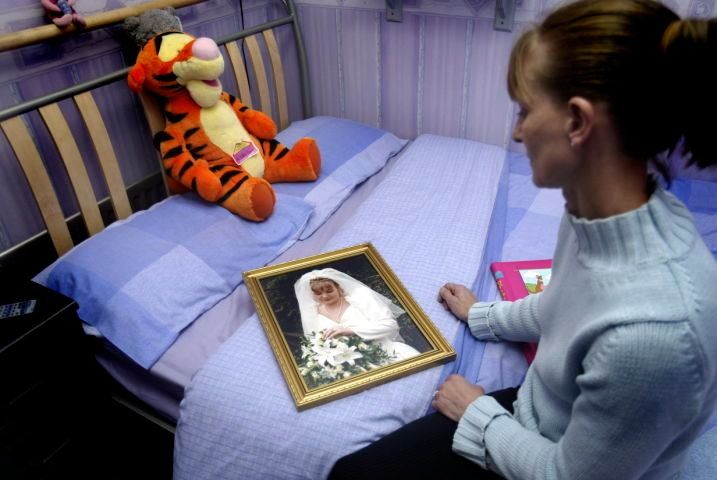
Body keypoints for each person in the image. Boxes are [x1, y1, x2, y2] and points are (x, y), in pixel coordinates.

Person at [329, 0, 717, 478]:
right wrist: (482, 316)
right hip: (542, 421)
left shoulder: (655, 334)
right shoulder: (593, 214)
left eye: (525, 110)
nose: (516, 133)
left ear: (578, 122)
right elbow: (564, 306)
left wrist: (478, 414)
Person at [294, 268, 420, 362]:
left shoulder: (360, 297)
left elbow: (390, 325)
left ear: (338, 287)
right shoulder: (312, 314)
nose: (324, 296)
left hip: (389, 354)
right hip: (352, 365)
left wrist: (351, 331)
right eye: (318, 293)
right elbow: (316, 346)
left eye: (329, 290)